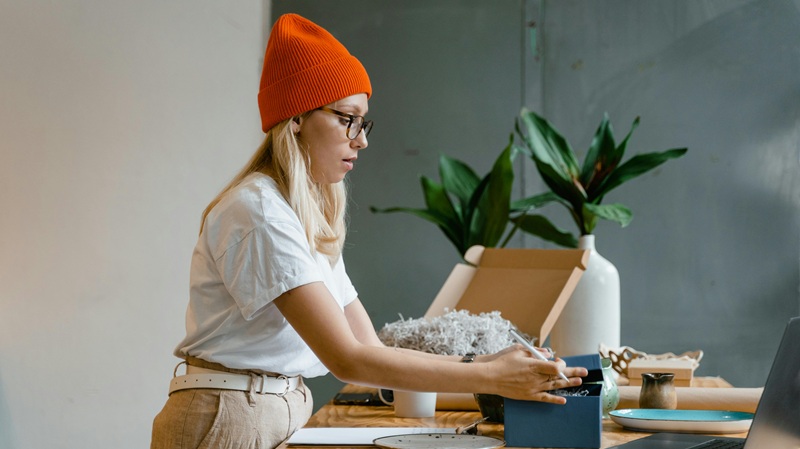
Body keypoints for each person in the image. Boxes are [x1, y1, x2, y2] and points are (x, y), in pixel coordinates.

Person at [150, 13, 588, 449]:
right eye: (348, 118)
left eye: (363, 123)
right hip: (228, 417)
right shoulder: (260, 212)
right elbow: (348, 358)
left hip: (267, 407)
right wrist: (490, 376)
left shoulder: (302, 215)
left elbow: (368, 346)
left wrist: (488, 361)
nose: (361, 140)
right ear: (297, 117)